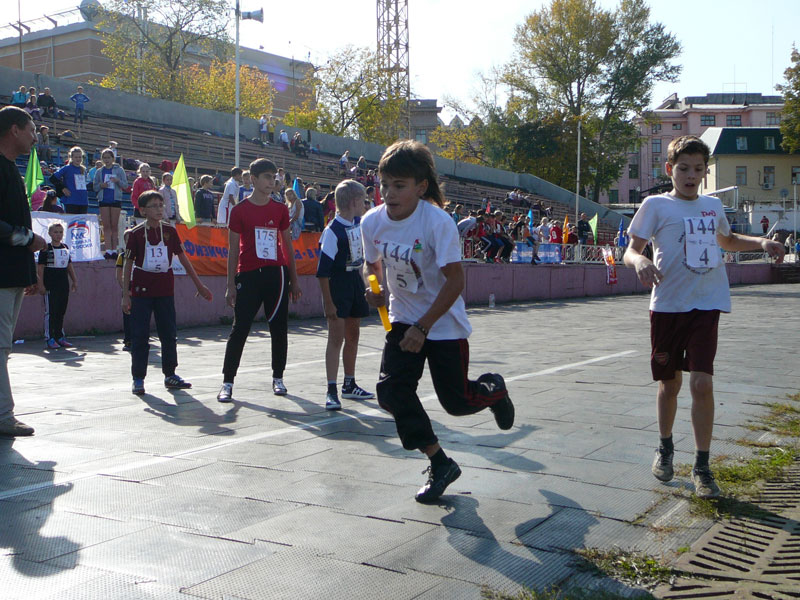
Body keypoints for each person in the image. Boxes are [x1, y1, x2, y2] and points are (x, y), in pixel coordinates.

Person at [623, 135, 785, 500]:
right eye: (684, 169)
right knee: (670, 384)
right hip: (668, 307)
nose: (691, 176)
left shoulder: (712, 206)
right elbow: (629, 251)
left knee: (702, 385)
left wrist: (761, 243)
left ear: (704, 173)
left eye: (698, 169)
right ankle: (665, 445)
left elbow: (727, 241)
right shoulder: (655, 205)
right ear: (670, 169)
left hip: (706, 304)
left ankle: (702, 466)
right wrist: (641, 260)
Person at [361, 140, 515, 503]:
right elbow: (371, 264)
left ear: (420, 187)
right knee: (391, 392)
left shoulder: (437, 222)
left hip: (442, 323)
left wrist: (424, 327)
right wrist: (374, 287)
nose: (389, 193)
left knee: (457, 403)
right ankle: (440, 462)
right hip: (402, 318)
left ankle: (494, 390)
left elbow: (456, 282)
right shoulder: (372, 222)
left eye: (399, 186)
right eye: (384, 184)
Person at [216, 158, 302, 403]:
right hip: (249, 274)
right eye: (266, 177)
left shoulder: (280, 209)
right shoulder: (239, 211)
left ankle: (278, 378)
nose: (271, 181)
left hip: (276, 275)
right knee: (240, 328)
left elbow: (287, 246)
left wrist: (294, 280)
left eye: (274, 177)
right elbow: (233, 250)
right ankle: (227, 382)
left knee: (279, 328)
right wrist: (230, 284)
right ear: (253, 179)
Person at [121, 191, 213, 395]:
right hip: (141, 291)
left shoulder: (170, 231)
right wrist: (126, 294)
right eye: (153, 205)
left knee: (169, 334)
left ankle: (170, 374)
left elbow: (183, 258)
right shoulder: (136, 234)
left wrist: (199, 285)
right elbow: (128, 264)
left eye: (161, 205)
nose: (159, 209)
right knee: (140, 335)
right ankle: (138, 378)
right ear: (143, 210)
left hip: (164, 289)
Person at [0, 106, 48, 436]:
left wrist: (28, 275)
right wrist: (28, 239)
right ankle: (3, 416)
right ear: (14, 130)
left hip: (12, 275)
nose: (35, 137)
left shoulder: (11, 170)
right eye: (31, 130)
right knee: (0, 346)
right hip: (2, 276)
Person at [316, 180, 374, 411]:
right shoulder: (333, 231)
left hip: (354, 282)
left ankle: (349, 383)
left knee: (353, 334)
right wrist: (328, 303)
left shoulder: (358, 224)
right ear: (354, 202)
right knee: (335, 338)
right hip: (338, 284)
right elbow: (322, 272)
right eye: (363, 201)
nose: (365, 205)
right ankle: (331, 389)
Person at [37, 223, 78, 349]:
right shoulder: (45, 249)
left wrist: (74, 280)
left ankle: (59, 336)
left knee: (61, 311)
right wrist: (41, 284)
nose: (58, 235)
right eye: (55, 232)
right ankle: (49, 338)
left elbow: (69, 265)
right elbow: (40, 268)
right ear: (50, 233)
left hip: (63, 285)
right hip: (50, 285)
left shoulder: (65, 247)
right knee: (51, 312)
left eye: (60, 232)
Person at [94, 148, 127, 258]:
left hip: (115, 199)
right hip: (103, 200)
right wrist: (101, 185)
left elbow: (125, 185)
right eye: (104, 158)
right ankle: (108, 250)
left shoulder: (119, 170)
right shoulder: (99, 171)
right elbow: (95, 187)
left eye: (108, 158)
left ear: (113, 158)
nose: (106, 160)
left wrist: (117, 181)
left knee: (114, 225)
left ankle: (114, 249)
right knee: (106, 225)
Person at [50, 146, 89, 214]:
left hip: (83, 201)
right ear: (71, 157)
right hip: (71, 201)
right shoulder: (67, 168)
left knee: (82, 221)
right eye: (76, 157)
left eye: (80, 157)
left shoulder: (83, 170)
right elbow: (53, 178)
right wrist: (63, 188)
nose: (78, 159)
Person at [115, 230, 132, 351]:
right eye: (127, 239)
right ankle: (128, 340)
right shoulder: (122, 256)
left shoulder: (141, 254)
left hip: (140, 288)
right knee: (128, 315)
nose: (130, 241)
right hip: (128, 286)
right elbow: (118, 275)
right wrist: (125, 290)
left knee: (141, 315)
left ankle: (141, 338)